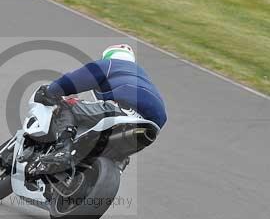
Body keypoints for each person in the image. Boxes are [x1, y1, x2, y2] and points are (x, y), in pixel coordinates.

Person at [27, 44, 167, 175]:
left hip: (123, 110)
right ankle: (115, 163)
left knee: (67, 106)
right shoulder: (142, 76)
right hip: (151, 126)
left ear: (107, 57)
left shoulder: (110, 64)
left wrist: (52, 91)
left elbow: (76, 79)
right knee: (116, 154)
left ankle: (63, 149)